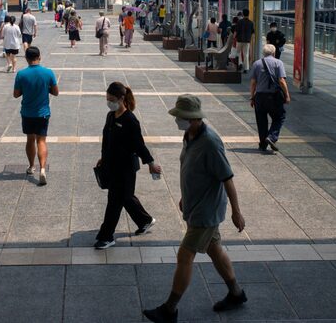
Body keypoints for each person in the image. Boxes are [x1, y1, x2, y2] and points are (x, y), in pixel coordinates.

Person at [143, 95, 246, 323]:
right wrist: (185, 197)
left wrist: (236, 212)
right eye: (178, 116)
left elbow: (227, 178)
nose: (178, 120)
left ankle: (169, 309)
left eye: (183, 117)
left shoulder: (210, 142)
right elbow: (192, 170)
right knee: (214, 249)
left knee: (185, 255)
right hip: (195, 205)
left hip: (206, 212)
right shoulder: (189, 135)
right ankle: (236, 293)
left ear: (195, 119)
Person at [94, 82, 162, 249]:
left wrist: (151, 163)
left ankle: (106, 236)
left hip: (125, 168)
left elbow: (139, 145)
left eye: (111, 99)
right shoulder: (111, 116)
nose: (109, 102)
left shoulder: (130, 120)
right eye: (107, 99)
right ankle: (145, 220)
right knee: (125, 197)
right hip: (111, 165)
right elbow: (106, 140)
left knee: (114, 201)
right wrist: (103, 158)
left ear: (121, 98)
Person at [13, 46, 59, 186]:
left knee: (30, 139)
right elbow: (56, 92)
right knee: (41, 141)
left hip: (27, 113)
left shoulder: (21, 74)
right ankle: (43, 169)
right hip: (43, 113)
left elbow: (16, 94)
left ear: (26, 58)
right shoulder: (48, 73)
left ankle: (31, 166)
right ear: (39, 57)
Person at [250, 44, 290, 153]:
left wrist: (252, 97)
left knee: (261, 121)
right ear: (274, 52)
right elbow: (281, 80)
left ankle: (263, 144)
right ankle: (271, 137)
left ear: (263, 53)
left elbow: (253, 82)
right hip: (273, 97)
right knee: (279, 117)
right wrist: (287, 95)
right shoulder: (278, 63)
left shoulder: (256, 64)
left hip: (259, 96)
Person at [235, 9, 255, 73]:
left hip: (239, 40)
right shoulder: (251, 23)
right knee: (246, 54)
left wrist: (234, 37)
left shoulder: (239, 22)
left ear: (243, 14)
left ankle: (240, 63)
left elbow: (236, 31)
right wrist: (252, 40)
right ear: (248, 14)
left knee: (238, 52)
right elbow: (253, 33)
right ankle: (246, 68)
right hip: (247, 41)